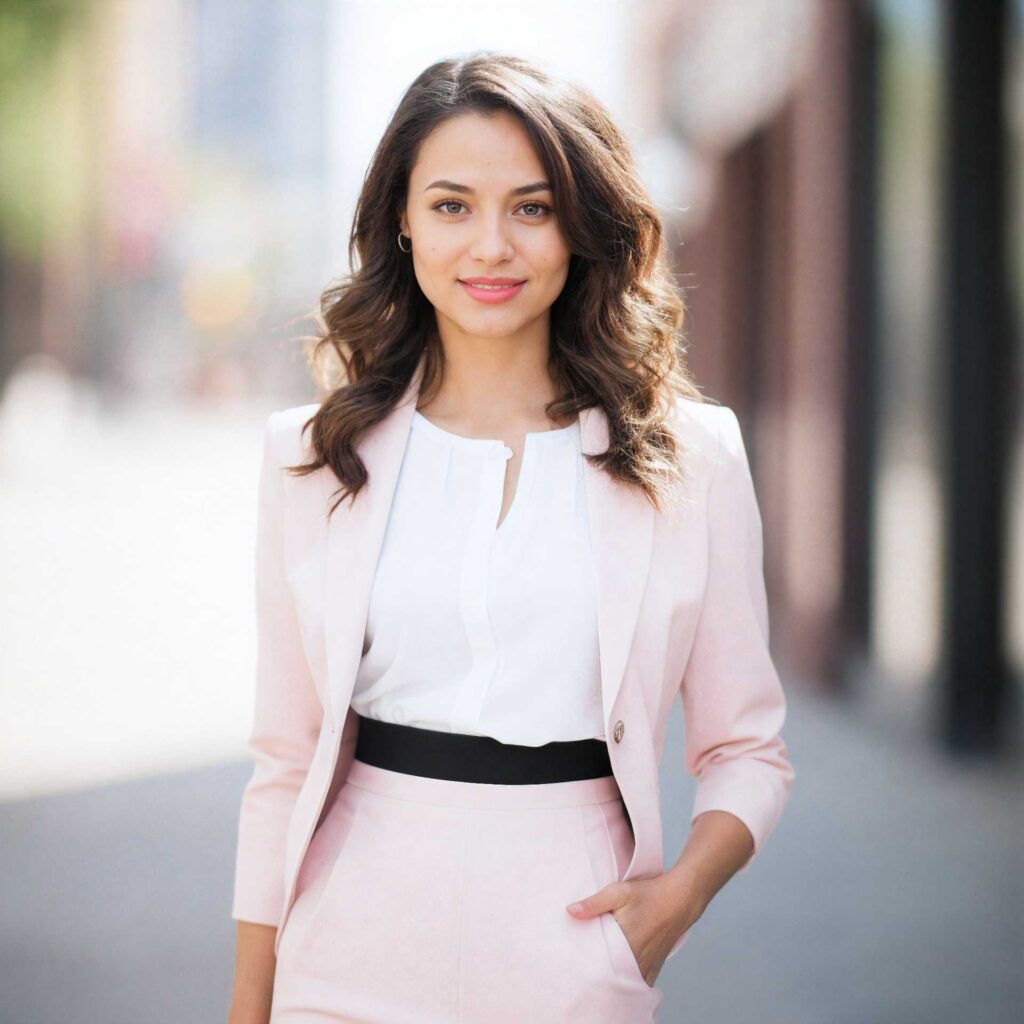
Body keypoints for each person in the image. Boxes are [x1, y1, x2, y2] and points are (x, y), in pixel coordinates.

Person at [227, 52, 795, 1024]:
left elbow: (748, 746)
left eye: (531, 207)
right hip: (345, 944)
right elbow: (283, 764)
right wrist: (249, 1010)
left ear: (581, 224)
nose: (491, 245)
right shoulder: (315, 455)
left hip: (571, 948)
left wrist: (681, 895)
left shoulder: (689, 457)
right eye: (452, 205)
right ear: (401, 221)